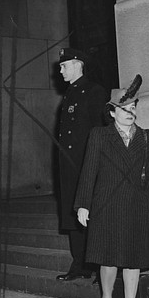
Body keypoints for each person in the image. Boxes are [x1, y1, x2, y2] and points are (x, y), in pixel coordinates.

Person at [74, 76, 149, 298]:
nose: (130, 113)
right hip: (107, 205)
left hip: (136, 205)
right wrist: (83, 204)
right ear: (112, 112)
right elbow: (89, 171)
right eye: (125, 109)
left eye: (133, 108)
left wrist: (148, 198)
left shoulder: (146, 137)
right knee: (108, 259)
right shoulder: (100, 135)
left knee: (134, 259)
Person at [55, 48, 108, 282]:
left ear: (77, 64)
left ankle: (98, 265)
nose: (60, 70)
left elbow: (100, 129)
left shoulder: (94, 91)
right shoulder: (70, 93)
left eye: (64, 65)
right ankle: (80, 264)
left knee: (91, 214)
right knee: (73, 215)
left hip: (87, 164)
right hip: (70, 166)